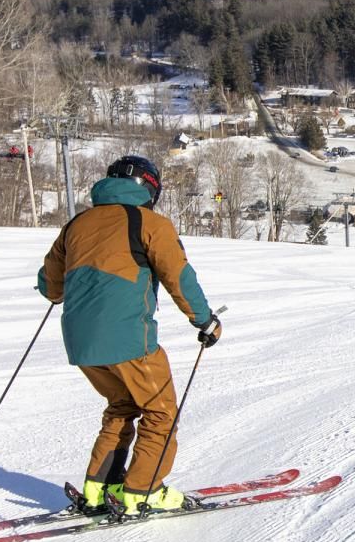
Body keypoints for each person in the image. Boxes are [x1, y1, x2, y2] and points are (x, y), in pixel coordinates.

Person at [37, 155, 222, 516]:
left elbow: (50, 286)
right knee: (160, 411)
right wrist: (205, 321)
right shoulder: (149, 223)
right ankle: (143, 491)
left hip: (80, 342)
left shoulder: (77, 224)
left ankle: (98, 488)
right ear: (151, 189)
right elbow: (178, 276)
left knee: (122, 406)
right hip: (128, 338)